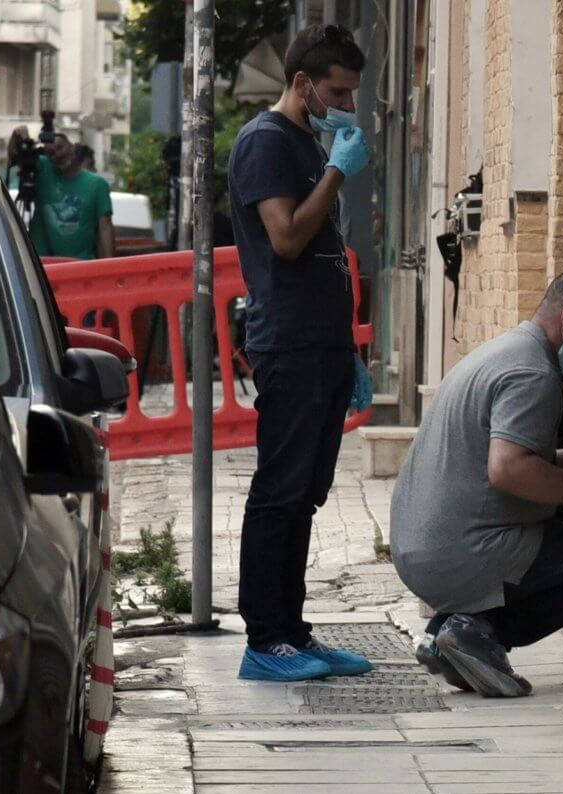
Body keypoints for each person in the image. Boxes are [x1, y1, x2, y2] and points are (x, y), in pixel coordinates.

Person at [391, 264, 563, 697]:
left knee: (557, 525)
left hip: (420, 548)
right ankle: (474, 634)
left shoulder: (505, 350)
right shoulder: (534, 374)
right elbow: (510, 470)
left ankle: (449, 633)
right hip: (455, 552)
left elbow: (517, 458)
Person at [227, 24, 375, 682]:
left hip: (324, 344)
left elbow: (325, 257)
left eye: (352, 93)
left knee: (304, 496)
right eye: (337, 91)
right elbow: (286, 239)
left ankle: (293, 632)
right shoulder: (267, 142)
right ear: (301, 84)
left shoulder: (310, 143)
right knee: (279, 492)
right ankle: (266, 639)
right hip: (288, 342)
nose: (346, 104)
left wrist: (350, 351)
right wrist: (340, 169)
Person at [6, 129, 114, 260]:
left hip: (82, 267)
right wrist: (19, 134)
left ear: (72, 146)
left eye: (60, 148)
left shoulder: (97, 184)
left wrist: (107, 267)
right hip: (42, 268)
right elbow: (15, 155)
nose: (58, 154)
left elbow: (105, 229)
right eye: (51, 153)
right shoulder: (43, 169)